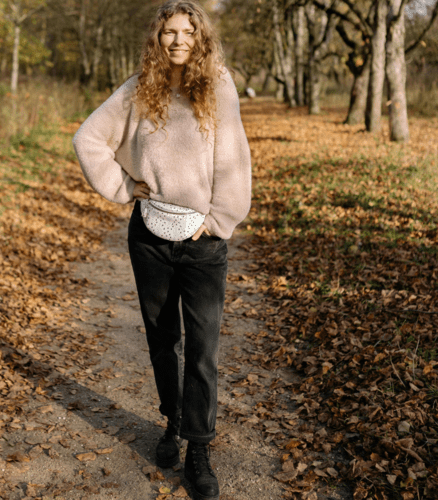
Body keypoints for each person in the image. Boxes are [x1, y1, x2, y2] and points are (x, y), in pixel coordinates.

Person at [73, 1, 251, 498]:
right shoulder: (137, 88)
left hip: (203, 243)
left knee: (202, 349)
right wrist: (123, 186)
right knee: (160, 340)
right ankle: (171, 422)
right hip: (149, 237)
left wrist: (219, 220)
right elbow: (88, 139)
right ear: (158, 38)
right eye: (169, 32)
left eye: (186, 32)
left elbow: (234, 156)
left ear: (199, 38)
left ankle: (199, 448)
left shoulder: (218, 85)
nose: (177, 40)